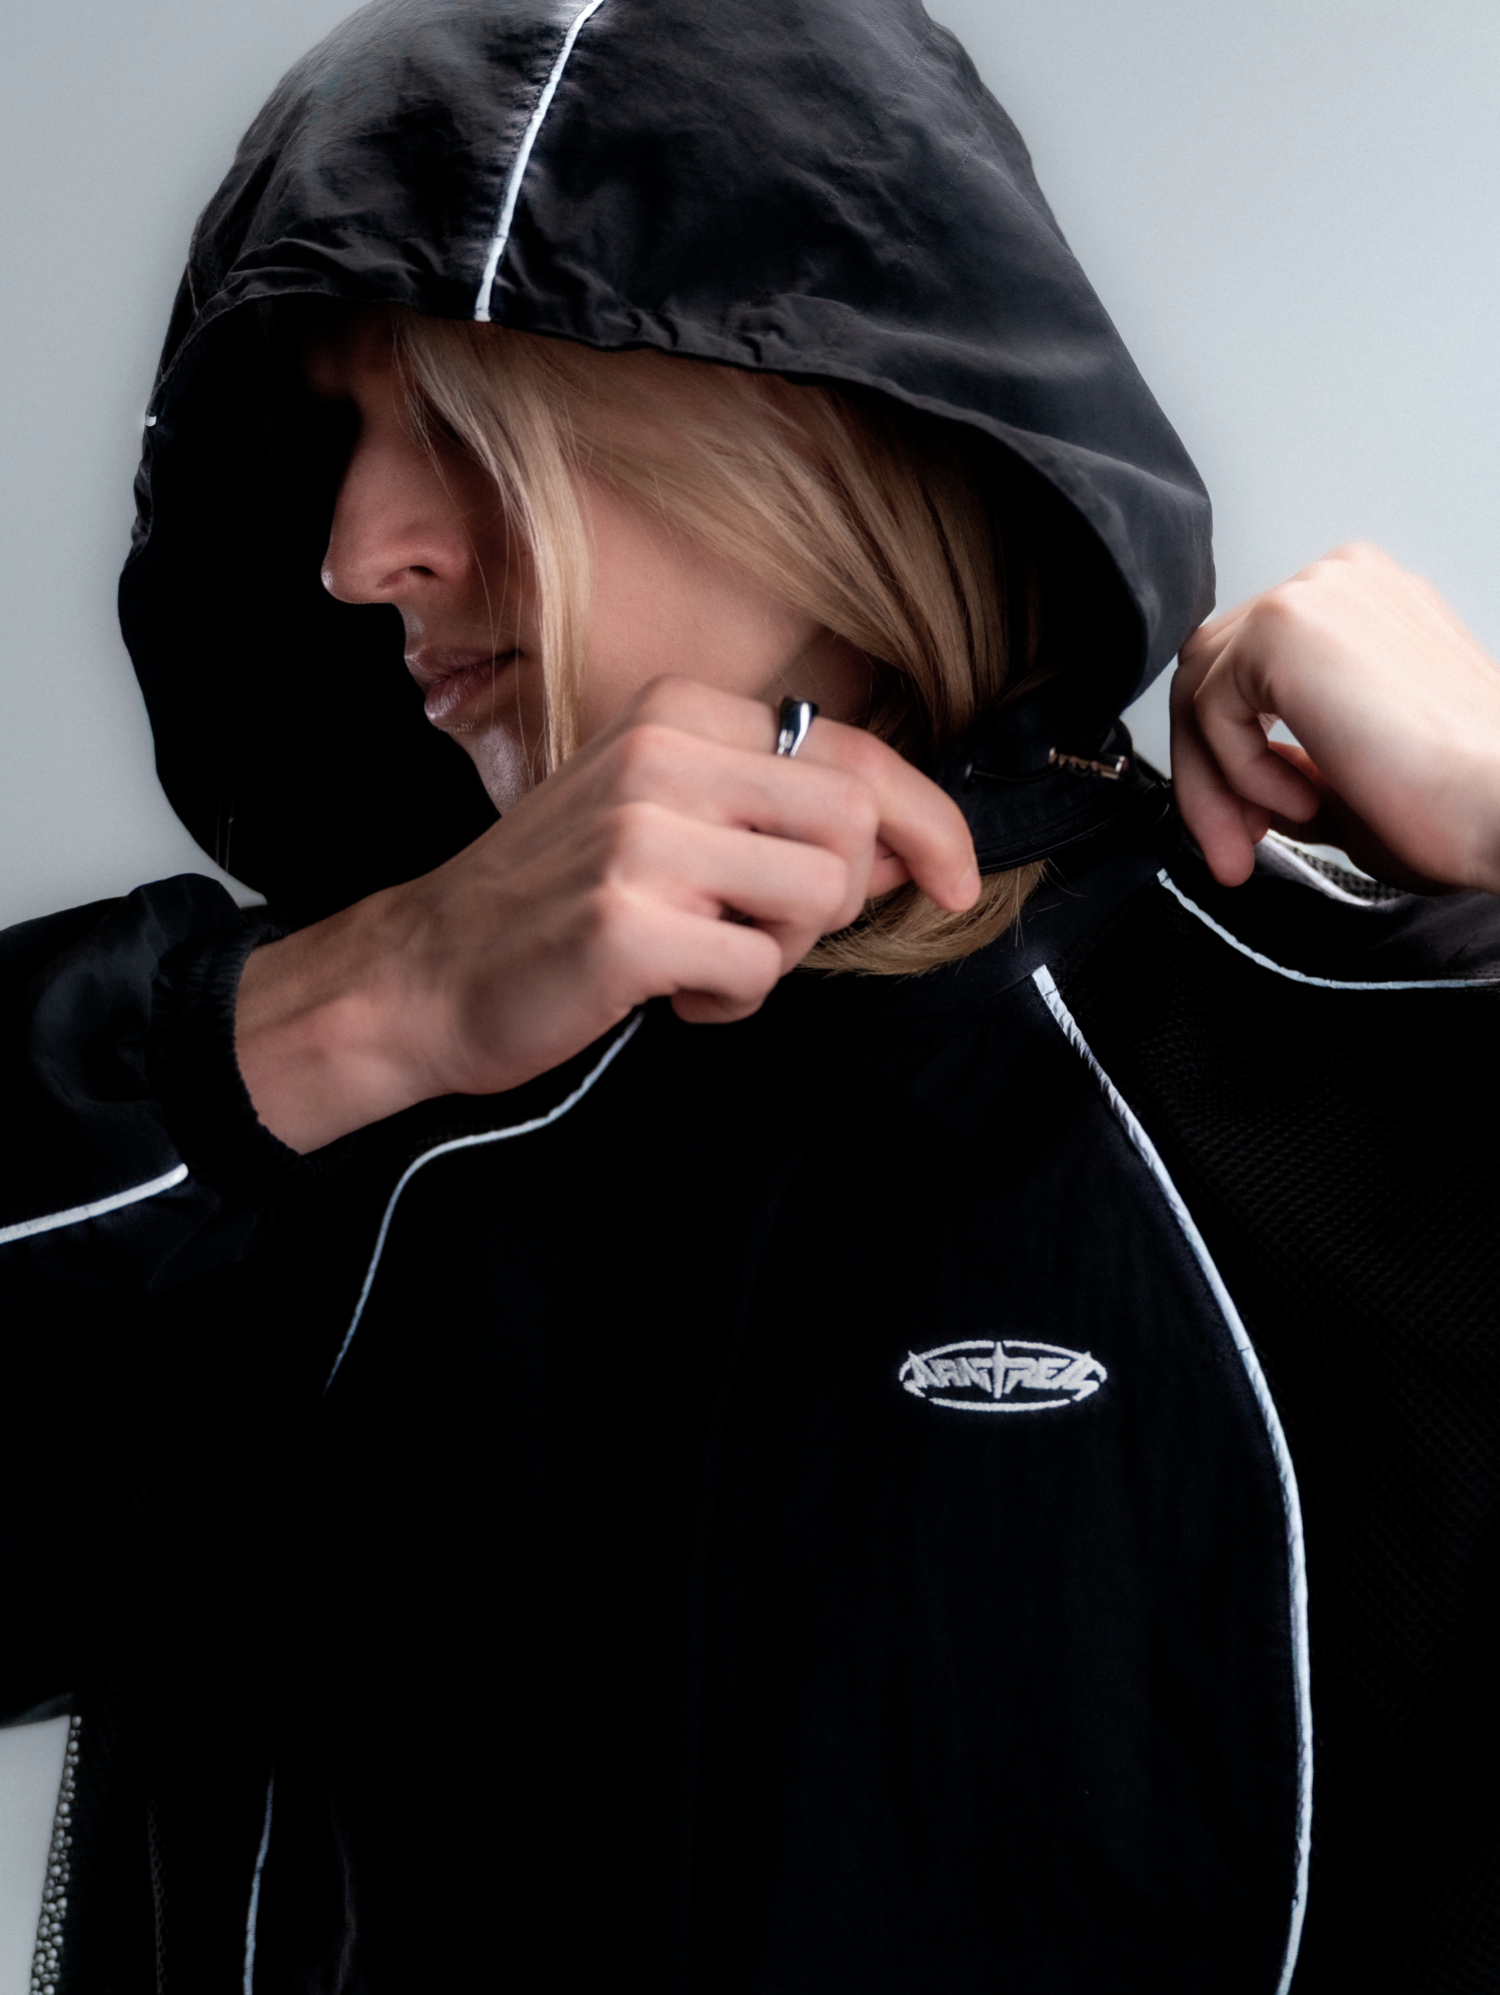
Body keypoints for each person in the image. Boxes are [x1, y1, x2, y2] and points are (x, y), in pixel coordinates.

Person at [3, 1, 1498, 1989]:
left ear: (793, 397)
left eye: (449, 409)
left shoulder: (1353, 1079)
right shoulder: (281, 1135)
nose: (359, 551)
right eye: (333, 439)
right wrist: (348, 1010)